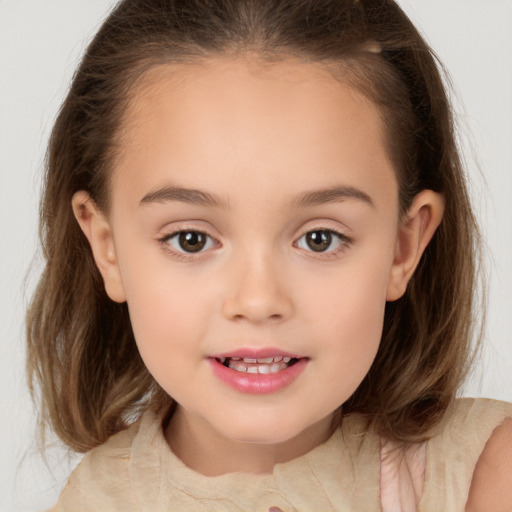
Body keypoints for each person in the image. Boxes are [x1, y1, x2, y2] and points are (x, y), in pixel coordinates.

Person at [25, 0, 512, 510]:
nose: (258, 301)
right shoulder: (93, 500)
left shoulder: (484, 475)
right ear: (108, 249)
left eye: (320, 238)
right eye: (190, 239)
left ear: (403, 247)